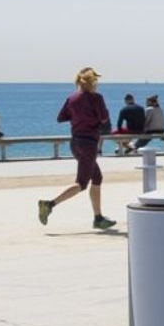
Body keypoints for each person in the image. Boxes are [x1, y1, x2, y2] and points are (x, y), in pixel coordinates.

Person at [38, 67, 116, 230]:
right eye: (96, 80)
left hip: (76, 143)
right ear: (92, 82)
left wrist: (78, 115)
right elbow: (104, 118)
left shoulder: (72, 98)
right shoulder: (96, 98)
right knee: (81, 183)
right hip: (89, 143)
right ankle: (49, 204)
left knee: (97, 178)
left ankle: (98, 217)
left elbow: (61, 118)